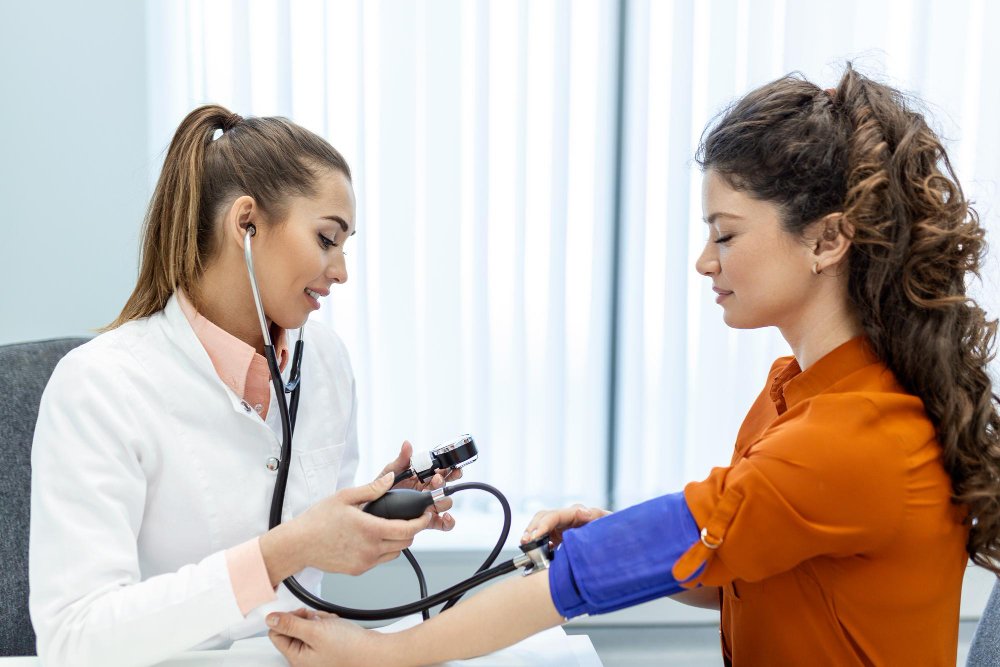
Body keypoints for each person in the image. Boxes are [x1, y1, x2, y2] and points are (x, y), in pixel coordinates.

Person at [265, 64, 1000, 666]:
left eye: (726, 235)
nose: (705, 261)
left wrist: (381, 655)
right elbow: (739, 572)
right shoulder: (794, 395)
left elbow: (584, 578)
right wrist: (616, 537)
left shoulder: (855, 432)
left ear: (827, 240)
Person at [28, 105, 458, 667]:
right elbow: (73, 639)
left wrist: (371, 515)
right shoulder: (100, 386)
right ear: (246, 223)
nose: (341, 271)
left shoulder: (325, 361)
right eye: (327, 239)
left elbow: (313, 547)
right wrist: (282, 552)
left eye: (345, 246)